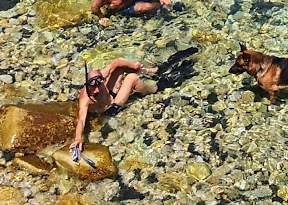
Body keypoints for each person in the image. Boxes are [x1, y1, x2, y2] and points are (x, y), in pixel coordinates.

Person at [68, 47, 198, 162]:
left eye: (98, 85)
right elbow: (81, 120)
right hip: (111, 108)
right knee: (131, 78)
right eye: (93, 88)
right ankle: (156, 87)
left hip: (111, 94)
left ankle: (153, 71)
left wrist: (134, 66)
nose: (96, 90)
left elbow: (116, 62)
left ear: (101, 79)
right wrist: (78, 139)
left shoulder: (100, 77)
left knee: (120, 68)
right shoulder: (85, 99)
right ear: (87, 85)